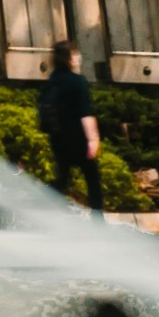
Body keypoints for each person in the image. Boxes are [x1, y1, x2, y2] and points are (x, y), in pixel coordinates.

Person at [40, 31, 105, 212]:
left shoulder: (53, 80)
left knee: (63, 179)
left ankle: (41, 203)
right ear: (69, 58)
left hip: (58, 137)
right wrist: (93, 140)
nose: (78, 57)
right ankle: (97, 220)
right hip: (78, 138)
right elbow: (86, 113)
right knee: (92, 179)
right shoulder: (78, 81)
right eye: (75, 54)